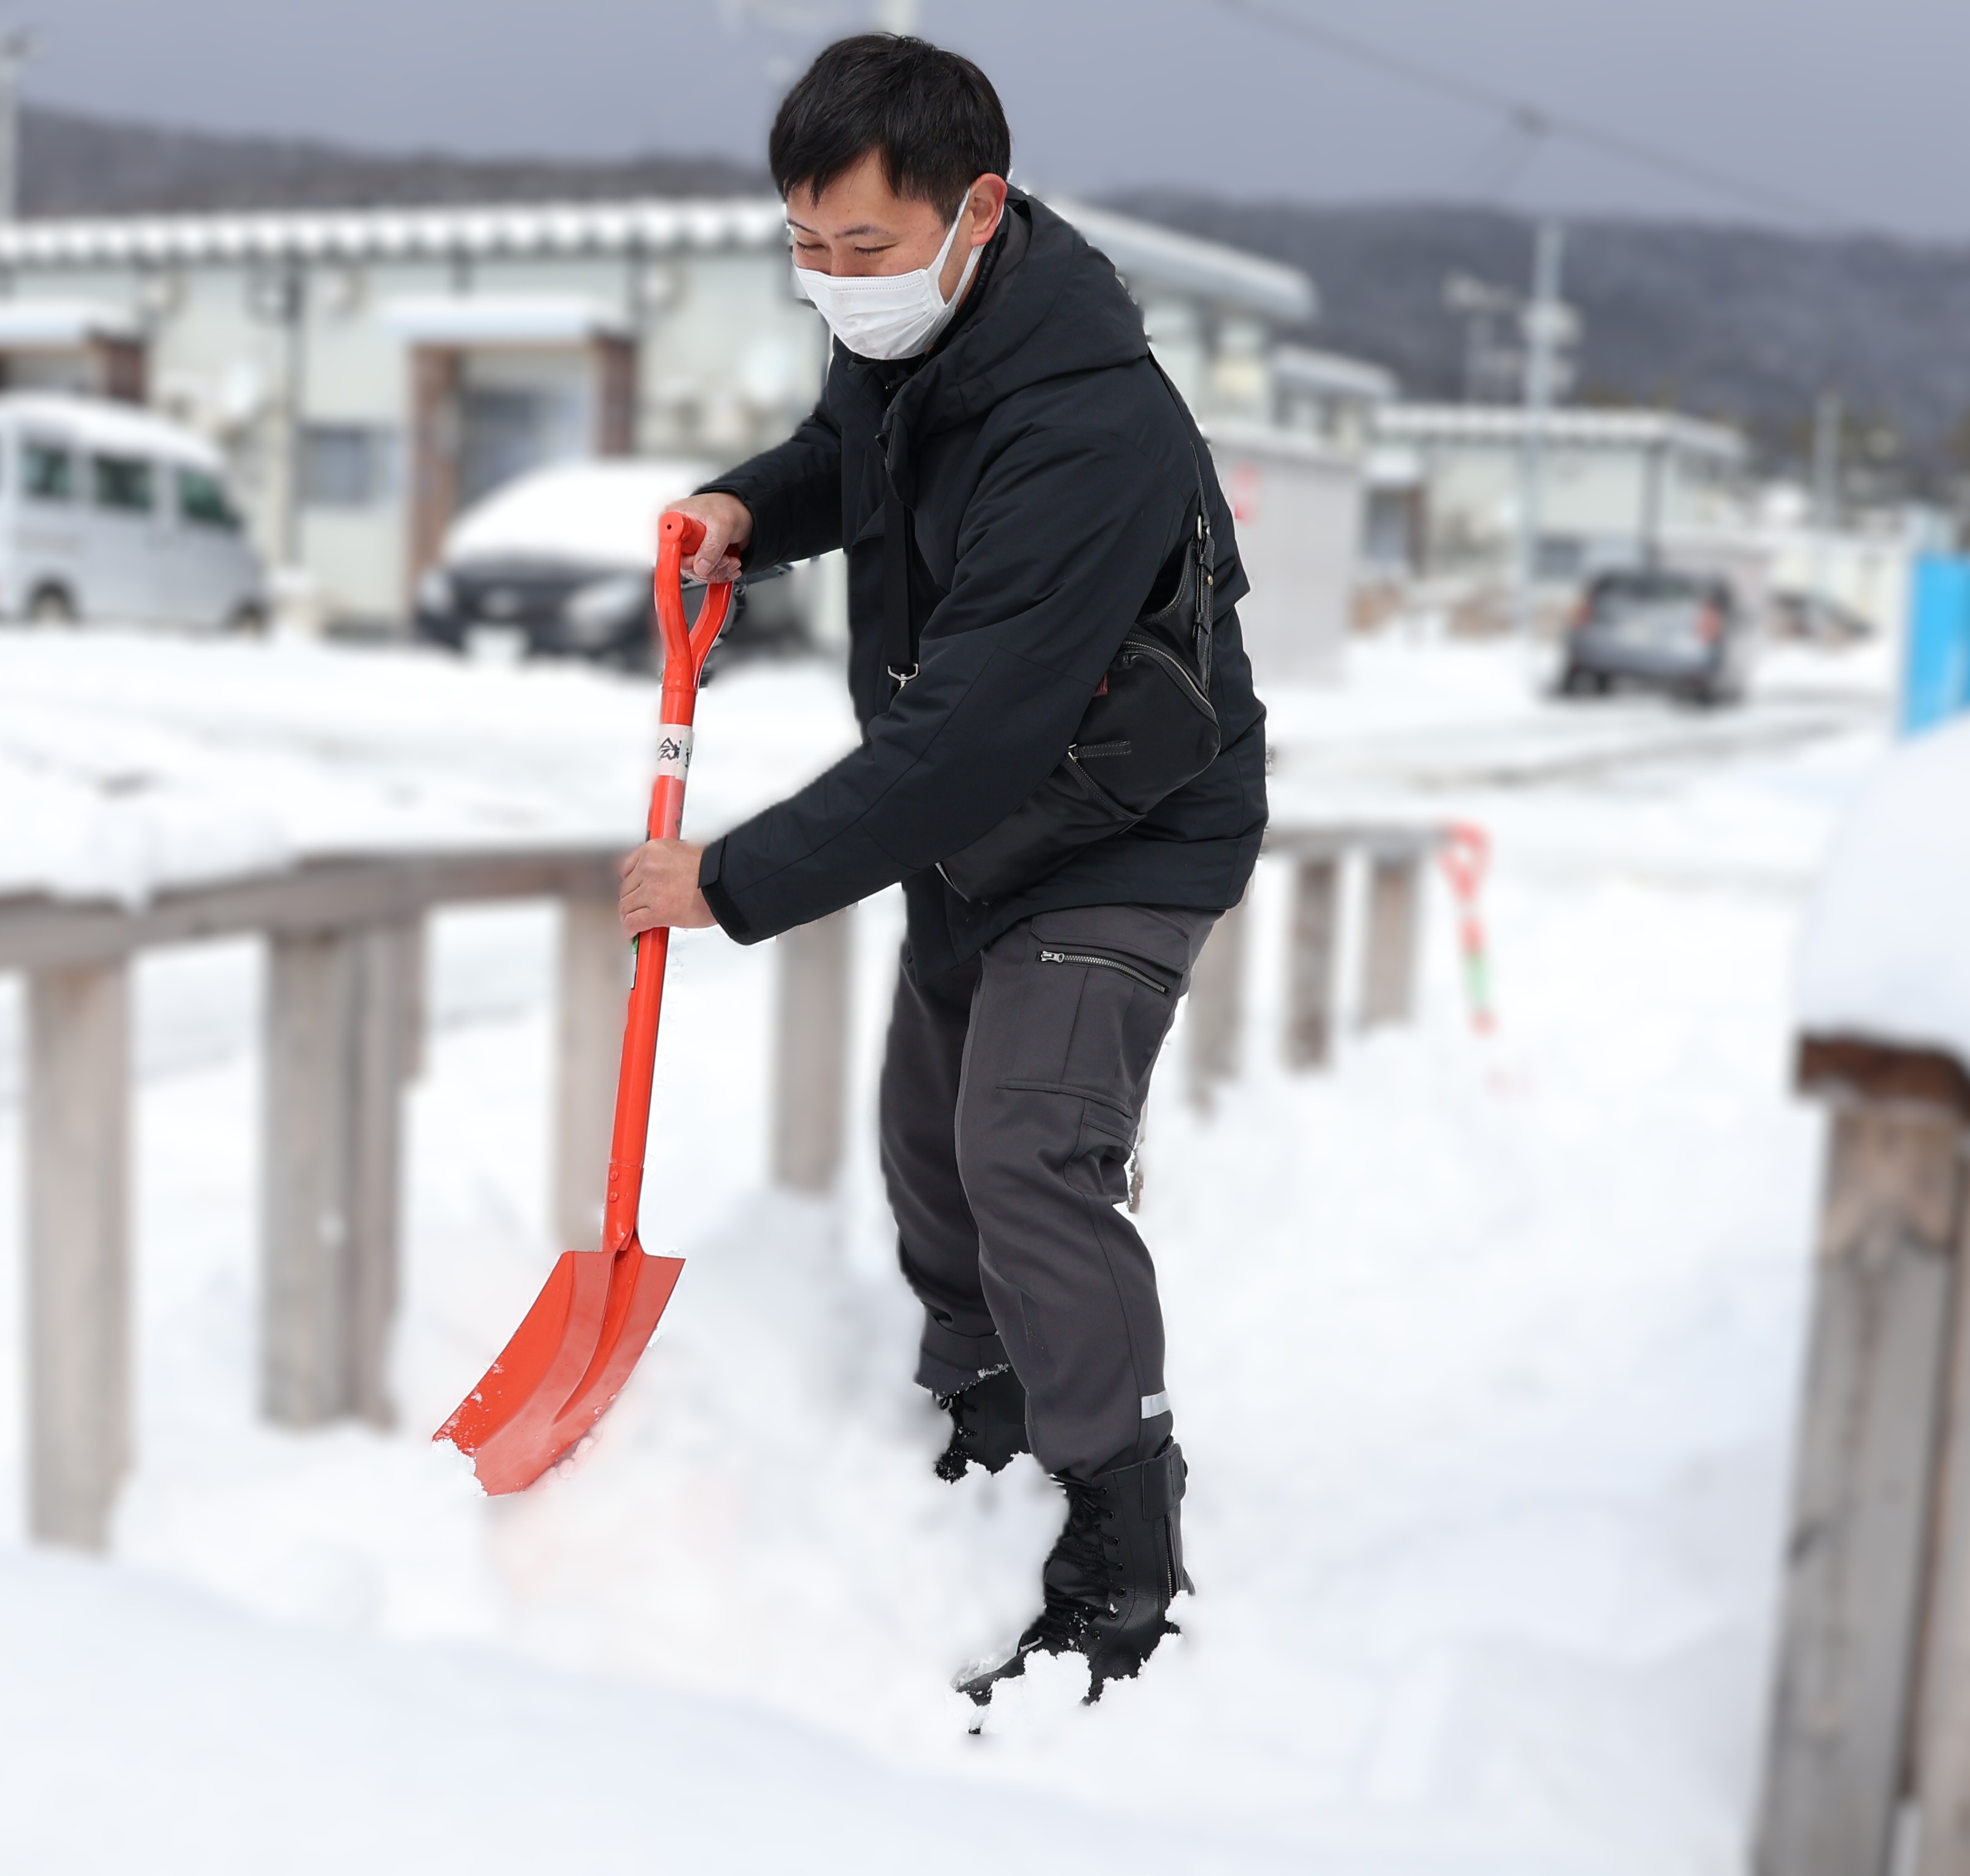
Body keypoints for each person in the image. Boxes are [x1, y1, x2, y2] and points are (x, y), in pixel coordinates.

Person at [614, 33, 1268, 1706]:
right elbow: (857, 459)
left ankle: (1124, 1549)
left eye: (866, 250)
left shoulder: (1090, 426)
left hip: (1120, 829)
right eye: (806, 249)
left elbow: (970, 733)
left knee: (1027, 1150)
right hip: (988, 823)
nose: (834, 285)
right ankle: (986, 1415)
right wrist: (747, 507)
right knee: (931, 1148)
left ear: (976, 210)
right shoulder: (924, 344)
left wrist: (733, 878)